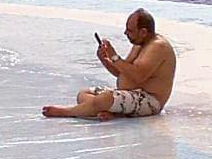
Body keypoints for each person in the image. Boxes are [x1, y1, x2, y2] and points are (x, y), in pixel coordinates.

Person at [42, 9, 176, 120]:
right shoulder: (140, 43)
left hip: (149, 101)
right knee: (84, 94)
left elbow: (138, 76)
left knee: (104, 99)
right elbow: (122, 72)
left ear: (143, 32)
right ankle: (114, 112)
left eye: (130, 31)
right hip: (130, 94)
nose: (125, 33)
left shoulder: (158, 47)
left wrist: (114, 56)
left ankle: (67, 112)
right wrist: (105, 60)